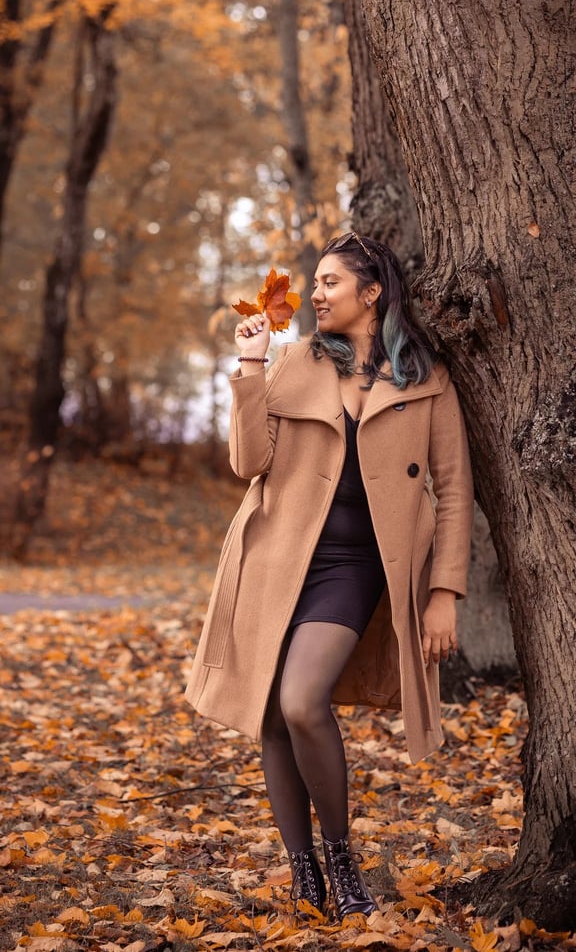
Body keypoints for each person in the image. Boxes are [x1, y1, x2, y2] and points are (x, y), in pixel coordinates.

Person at [185, 232, 474, 921]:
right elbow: (248, 462)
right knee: (272, 716)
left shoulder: (423, 377)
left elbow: (455, 491)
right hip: (278, 558)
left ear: (371, 294)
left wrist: (444, 595)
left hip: (357, 567)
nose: (315, 295)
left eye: (330, 283)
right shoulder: (293, 363)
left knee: (301, 700)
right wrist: (250, 368)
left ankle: (341, 858)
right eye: (313, 284)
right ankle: (304, 873)